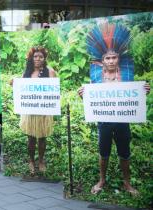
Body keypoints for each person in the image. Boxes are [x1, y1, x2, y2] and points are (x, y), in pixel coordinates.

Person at [78, 23, 150, 195]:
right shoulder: (97, 77)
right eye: (107, 58)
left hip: (122, 121)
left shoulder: (125, 76)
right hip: (104, 122)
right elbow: (93, 98)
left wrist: (143, 92)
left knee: (124, 152)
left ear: (119, 59)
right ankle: (102, 180)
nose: (111, 61)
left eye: (114, 58)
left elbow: (132, 98)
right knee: (104, 152)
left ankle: (127, 183)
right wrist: (83, 94)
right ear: (102, 61)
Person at [19, 47, 56, 174]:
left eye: (40, 56)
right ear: (31, 57)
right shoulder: (27, 72)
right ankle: (31, 161)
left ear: (44, 58)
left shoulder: (50, 71)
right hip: (30, 110)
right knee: (31, 138)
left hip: (44, 111)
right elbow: (20, 87)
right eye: (35, 56)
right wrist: (13, 82)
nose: (37, 59)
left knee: (42, 137)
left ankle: (41, 160)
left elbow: (54, 90)